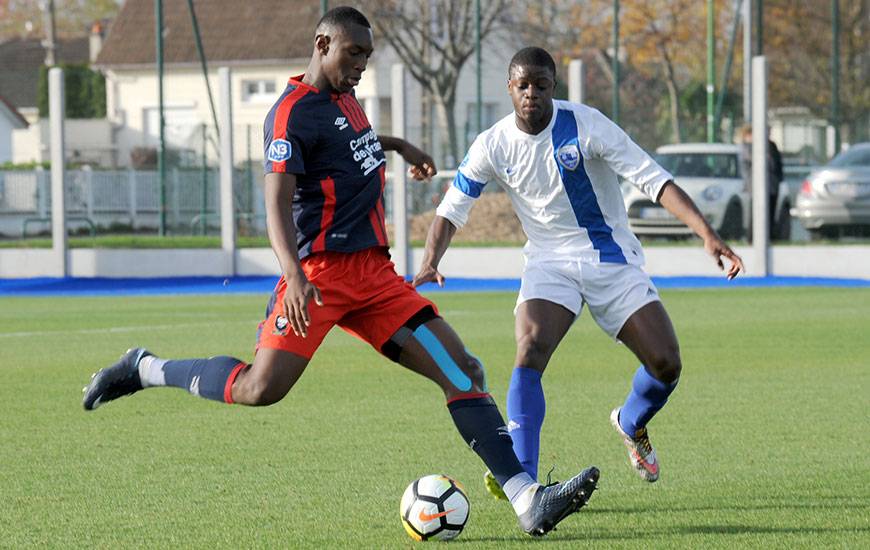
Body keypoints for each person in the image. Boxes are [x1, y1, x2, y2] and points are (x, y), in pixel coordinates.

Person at [81, 8, 598, 537]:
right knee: (261, 388)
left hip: (375, 277)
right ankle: (144, 368)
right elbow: (276, 202)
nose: (362, 65)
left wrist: (396, 147)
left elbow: (350, 153)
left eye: (368, 57)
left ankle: (526, 498)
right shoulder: (288, 114)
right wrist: (295, 276)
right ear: (322, 43)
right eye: (354, 53)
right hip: (319, 276)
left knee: (463, 370)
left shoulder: (346, 100)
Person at [414, 47, 744, 495]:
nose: (531, 94)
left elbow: (652, 177)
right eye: (522, 85)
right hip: (549, 261)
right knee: (530, 347)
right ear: (510, 87)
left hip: (610, 257)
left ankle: (631, 422)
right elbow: (453, 207)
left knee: (666, 364)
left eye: (541, 85)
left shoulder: (587, 125)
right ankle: (523, 480)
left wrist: (706, 234)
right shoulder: (492, 143)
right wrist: (431, 260)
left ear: (554, 87)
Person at [740, 124, 784, 238]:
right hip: (757, 186)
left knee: (770, 212)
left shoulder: (771, 145)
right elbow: (751, 163)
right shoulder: (750, 146)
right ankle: (752, 237)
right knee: (756, 214)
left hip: (772, 185)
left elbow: (777, 164)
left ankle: (769, 236)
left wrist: (778, 179)